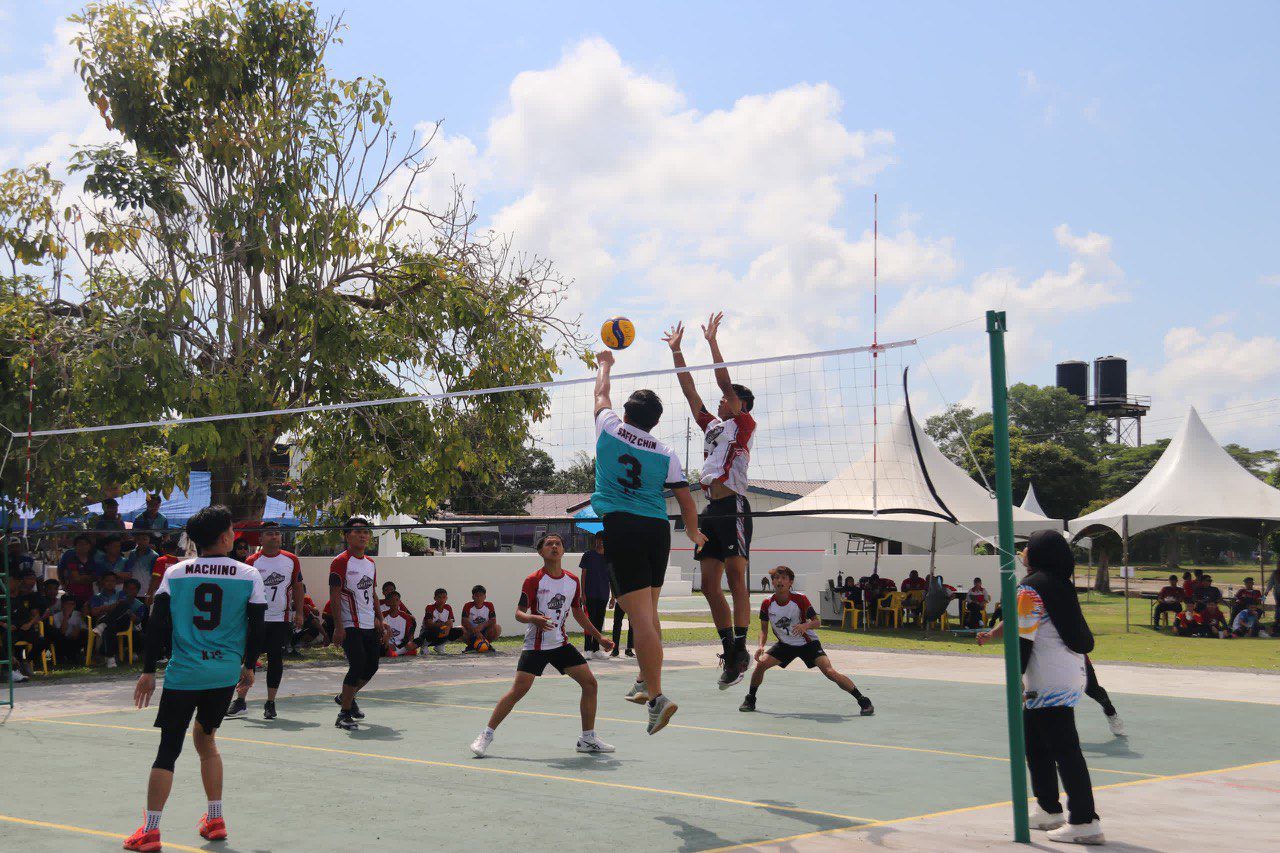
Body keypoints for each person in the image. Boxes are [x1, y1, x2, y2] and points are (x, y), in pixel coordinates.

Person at [123, 504, 265, 850]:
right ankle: (215, 819)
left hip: (184, 673)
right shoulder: (248, 574)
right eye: (232, 530)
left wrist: (147, 672)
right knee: (207, 740)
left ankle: (151, 830)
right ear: (222, 537)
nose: (235, 535)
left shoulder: (176, 572)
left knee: (168, 749)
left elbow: (156, 624)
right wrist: (248, 667)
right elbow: (258, 624)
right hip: (223, 672)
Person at [591, 348, 706, 735]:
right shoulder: (666, 451)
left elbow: (600, 394)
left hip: (623, 526)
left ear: (627, 414)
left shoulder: (609, 427)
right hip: (657, 529)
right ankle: (644, 678)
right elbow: (687, 501)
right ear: (655, 423)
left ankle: (657, 697)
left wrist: (605, 363)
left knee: (639, 617)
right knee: (647, 612)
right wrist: (692, 532)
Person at [665, 313, 757, 689]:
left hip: (733, 504)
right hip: (712, 510)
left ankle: (741, 646)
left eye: (728, 399)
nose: (721, 402)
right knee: (708, 585)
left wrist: (712, 343)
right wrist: (678, 351)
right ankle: (730, 650)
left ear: (740, 405)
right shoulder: (714, 427)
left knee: (737, 579)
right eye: (722, 400)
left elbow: (722, 380)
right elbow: (690, 393)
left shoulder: (744, 424)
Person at [469, 533, 615, 757]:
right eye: (549, 544)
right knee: (518, 691)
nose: (554, 546)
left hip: (560, 643)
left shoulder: (572, 581)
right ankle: (485, 735)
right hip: (535, 645)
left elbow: (578, 613)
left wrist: (599, 637)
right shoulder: (533, 580)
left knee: (590, 684)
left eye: (558, 543)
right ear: (541, 552)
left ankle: (587, 739)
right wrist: (533, 619)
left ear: (563, 550)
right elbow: (519, 613)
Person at [1015, 530, 1104, 844]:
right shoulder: (1058, 582)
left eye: (1027, 546)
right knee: (1036, 745)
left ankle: (1084, 820)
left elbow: (1023, 640)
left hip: (1047, 678)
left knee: (1065, 751)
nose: (1023, 550)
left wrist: (1014, 679)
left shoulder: (1030, 589)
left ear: (1038, 553)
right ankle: (1048, 808)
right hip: (1066, 673)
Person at [740, 566, 873, 716]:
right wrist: (761, 646)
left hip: (807, 643)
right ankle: (750, 699)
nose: (779, 581)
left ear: (790, 582)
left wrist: (806, 625)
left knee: (830, 672)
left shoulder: (800, 599)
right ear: (772, 582)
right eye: (776, 578)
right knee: (761, 665)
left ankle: (863, 700)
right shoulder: (767, 603)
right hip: (785, 645)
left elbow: (817, 622)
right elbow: (763, 629)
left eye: (784, 578)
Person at [227, 523, 303, 720]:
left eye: (277, 534)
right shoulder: (251, 561)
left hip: (281, 617)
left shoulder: (291, 560)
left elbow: (297, 587)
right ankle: (240, 700)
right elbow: (243, 592)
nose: (274, 537)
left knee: (276, 659)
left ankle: (270, 702)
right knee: (248, 660)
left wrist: (300, 612)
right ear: (260, 539)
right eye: (270, 534)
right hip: (257, 618)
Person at [330, 516, 384, 731]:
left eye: (366, 532)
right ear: (347, 535)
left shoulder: (370, 563)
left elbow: (372, 592)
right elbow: (334, 595)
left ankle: (346, 697)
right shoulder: (340, 562)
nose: (363, 535)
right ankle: (343, 714)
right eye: (357, 531)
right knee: (358, 664)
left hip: (369, 623)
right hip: (350, 624)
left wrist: (380, 618)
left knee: (372, 666)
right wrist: (338, 626)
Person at [579, 533, 612, 659]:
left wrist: (613, 596)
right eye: (599, 539)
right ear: (596, 540)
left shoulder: (609, 557)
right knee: (588, 622)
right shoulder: (588, 555)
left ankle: (596, 649)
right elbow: (583, 574)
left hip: (603, 594)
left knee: (599, 622)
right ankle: (587, 649)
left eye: (604, 540)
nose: (601, 542)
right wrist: (583, 593)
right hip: (590, 594)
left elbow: (611, 577)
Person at [417, 588, 463, 653]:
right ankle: (424, 645)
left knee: (459, 631)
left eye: (444, 597)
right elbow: (429, 624)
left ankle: (440, 645)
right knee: (436, 630)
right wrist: (444, 625)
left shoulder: (448, 607)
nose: (441, 600)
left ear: (446, 598)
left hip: (442, 632)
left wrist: (448, 628)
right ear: (435, 598)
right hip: (428, 633)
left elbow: (450, 622)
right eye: (439, 597)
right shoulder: (430, 607)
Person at [58, 534, 97, 608]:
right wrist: (89, 578)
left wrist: (82, 578)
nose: (83, 546)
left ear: (89, 546)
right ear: (75, 546)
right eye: (80, 544)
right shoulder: (71, 560)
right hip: (73, 595)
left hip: (90, 595)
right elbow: (76, 578)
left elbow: (96, 577)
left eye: (86, 544)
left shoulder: (93, 560)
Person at [50, 593, 88, 664]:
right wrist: (66, 616)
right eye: (67, 604)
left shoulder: (78, 614)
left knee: (84, 634)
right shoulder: (56, 616)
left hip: (74, 640)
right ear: (62, 605)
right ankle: (61, 658)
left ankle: (77, 656)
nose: (69, 606)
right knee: (58, 635)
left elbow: (84, 629)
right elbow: (62, 632)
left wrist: (78, 630)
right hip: (62, 642)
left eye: (72, 604)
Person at [461, 585, 500, 651]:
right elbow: (464, 621)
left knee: (497, 628)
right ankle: (471, 646)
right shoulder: (467, 605)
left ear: (485, 596)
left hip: (485, 630)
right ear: (473, 597)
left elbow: (493, 620)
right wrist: (475, 631)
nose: (479, 598)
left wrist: (482, 626)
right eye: (476, 596)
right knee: (459, 630)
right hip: (471, 631)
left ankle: (487, 644)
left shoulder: (489, 605)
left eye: (481, 595)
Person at [380, 590, 419, 656]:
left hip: (401, 645)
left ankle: (396, 652)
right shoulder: (382, 616)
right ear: (388, 603)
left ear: (400, 602)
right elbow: (379, 633)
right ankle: (394, 652)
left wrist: (408, 641)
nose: (394, 602)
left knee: (414, 648)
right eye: (392, 600)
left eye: (397, 600)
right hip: (387, 644)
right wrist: (387, 643)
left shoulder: (406, 617)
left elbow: (410, 634)